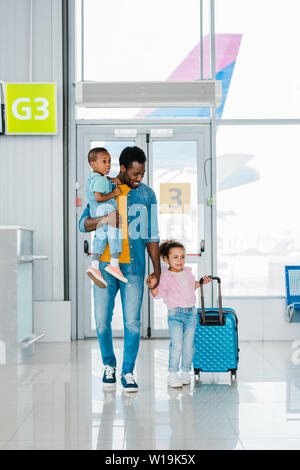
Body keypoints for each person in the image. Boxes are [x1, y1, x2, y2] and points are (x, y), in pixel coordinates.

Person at [79, 146, 161, 393]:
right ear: (123, 169)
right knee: (102, 321)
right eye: (135, 173)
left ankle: (127, 371)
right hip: (105, 267)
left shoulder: (147, 195)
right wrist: (104, 219)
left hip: (133, 267)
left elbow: (152, 235)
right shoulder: (103, 186)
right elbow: (83, 224)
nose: (139, 178)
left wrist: (157, 270)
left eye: (142, 174)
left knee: (133, 323)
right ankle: (109, 365)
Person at [147, 240, 211, 388]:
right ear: (166, 259)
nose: (180, 260)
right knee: (177, 345)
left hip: (191, 314)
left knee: (189, 346)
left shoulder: (188, 273)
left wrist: (200, 282)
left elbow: (191, 286)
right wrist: (152, 287)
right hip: (175, 315)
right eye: (175, 257)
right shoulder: (165, 277)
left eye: (182, 257)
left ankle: (185, 372)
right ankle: (172, 374)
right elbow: (158, 294)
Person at [85, 147, 128, 287]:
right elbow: (98, 197)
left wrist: (111, 180)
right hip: (105, 208)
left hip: (96, 212)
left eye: (109, 161)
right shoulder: (101, 180)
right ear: (93, 164)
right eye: (104, 161)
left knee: (101, 237)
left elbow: (101, 184)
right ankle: (114, 264)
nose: (108, 164)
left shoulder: (95, 177)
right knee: (115, 234)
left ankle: (95, 266)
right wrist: (114, 192)